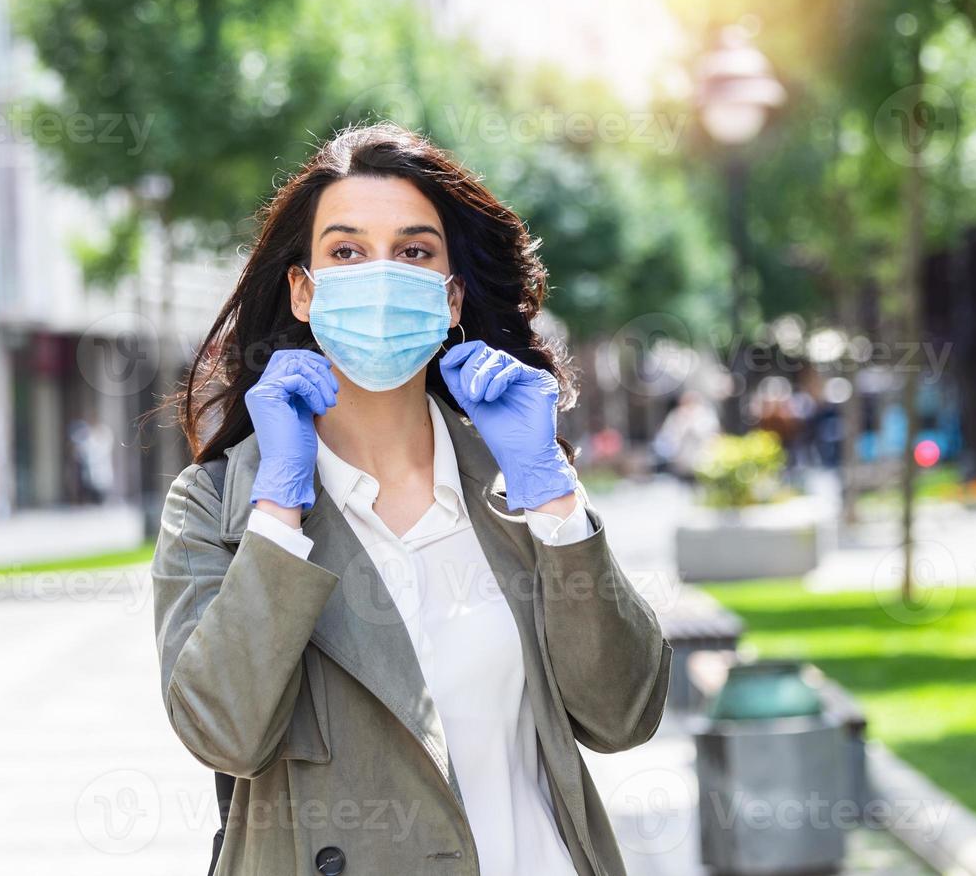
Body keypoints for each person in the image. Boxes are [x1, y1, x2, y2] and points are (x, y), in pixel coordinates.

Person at [152, 124, 671, 875]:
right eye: (347, 251)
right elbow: (225, 732)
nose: (381, 276)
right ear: (303, 290)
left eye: (415, 251)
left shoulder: (511, 484)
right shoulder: (214, 508)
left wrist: (553, 497)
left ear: (451, 294)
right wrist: (277, 512)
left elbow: (623, 716)